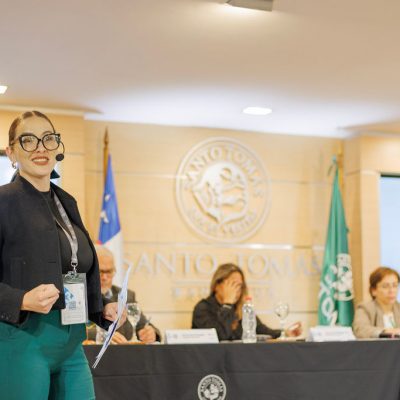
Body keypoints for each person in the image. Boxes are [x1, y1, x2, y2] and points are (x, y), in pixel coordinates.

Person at [0, 111, 124, 400]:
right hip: (22, 341)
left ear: (57, 146)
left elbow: (72, 270)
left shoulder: (66, 202)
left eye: (48, 139)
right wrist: (21, 299)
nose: (40, 147)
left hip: (71, 342)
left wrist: (101, 309)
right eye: (28, 140)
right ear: (11, 152)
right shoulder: (3, 202)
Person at [192, 263, 302, 341]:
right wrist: (227, 305)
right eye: (232, 284)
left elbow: (262, 331)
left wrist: (285, 333)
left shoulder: (242, 309)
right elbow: (220, 336)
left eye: (239, 286)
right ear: (217, 285)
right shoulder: (202, 308)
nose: (236, 290)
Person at [87, 245, 161, 344]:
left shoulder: (127, 296)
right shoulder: (80, 297)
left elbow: (142, 325)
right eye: (100, 272)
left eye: (109, 271)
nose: (104, 277)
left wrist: (152, 333)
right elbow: (71, 331)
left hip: (123, 352)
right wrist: (102, 334)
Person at [353, 266, 400, 338]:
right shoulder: (365, 309)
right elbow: (361, 330)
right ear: (373, 290)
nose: (391, 291)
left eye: (395, 285)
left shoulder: (398, 307)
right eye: (385, 286)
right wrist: (386, 332)